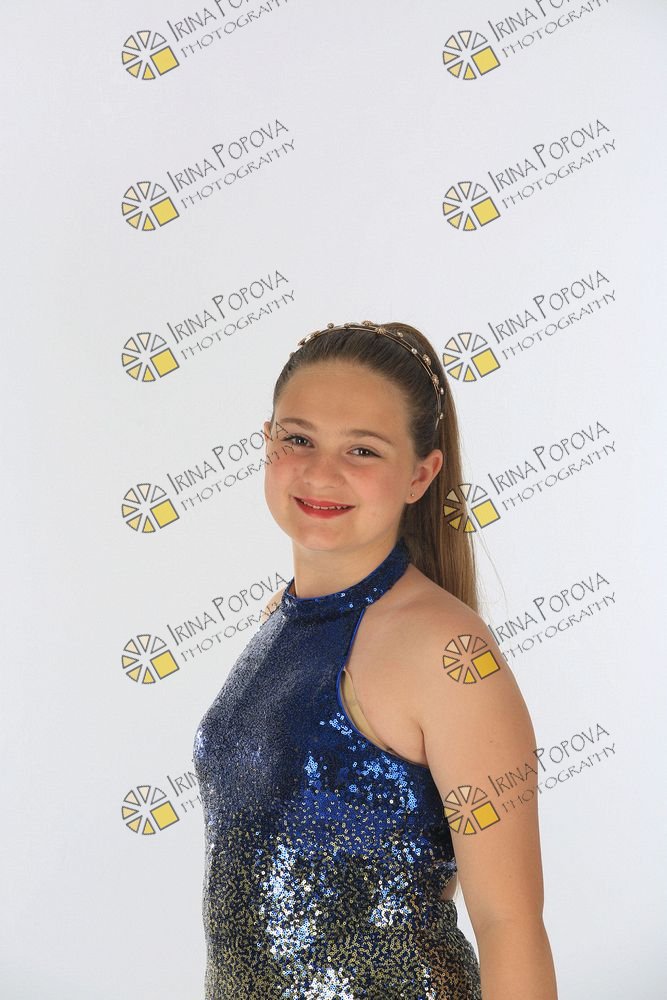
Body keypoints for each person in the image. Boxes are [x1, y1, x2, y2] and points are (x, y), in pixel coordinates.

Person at [193, 320, 558, 999]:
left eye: (361, 449)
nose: (320, 472)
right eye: (298, 439)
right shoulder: (281, 621)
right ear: (266, 442)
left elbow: (509, 924)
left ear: (420, 474)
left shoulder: (446, 651)